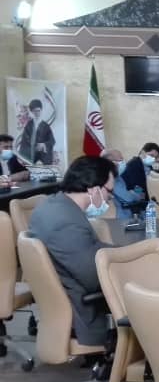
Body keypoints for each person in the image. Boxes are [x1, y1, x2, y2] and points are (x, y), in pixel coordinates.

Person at [27, 156, 116, 346]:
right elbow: (94, 278)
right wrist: (130, 261)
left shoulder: (52, 205)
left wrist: (118, 252)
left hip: (67, 296)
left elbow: (86, 249)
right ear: (94, 189)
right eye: (109, 192)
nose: (110, 198)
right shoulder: (65, 222)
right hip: (82, 310)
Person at [101, 148, 144, 218]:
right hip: (120, 216)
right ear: (112, 162)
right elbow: (128, 198)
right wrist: (137, 194)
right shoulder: (111, 178)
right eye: (121, 159)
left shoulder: (115, 176)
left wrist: (133, 193)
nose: (124, 162)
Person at [18, 99, 56, 165]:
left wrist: (44, 144)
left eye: (38, 111)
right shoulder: (29, 125)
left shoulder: (45, 126)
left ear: (41, 110)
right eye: (34, 111)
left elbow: (52, 141)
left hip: (43, 157)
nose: (37, 113)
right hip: (31, 156)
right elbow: (24, 142)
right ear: (31, 112)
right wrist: (33, 147)